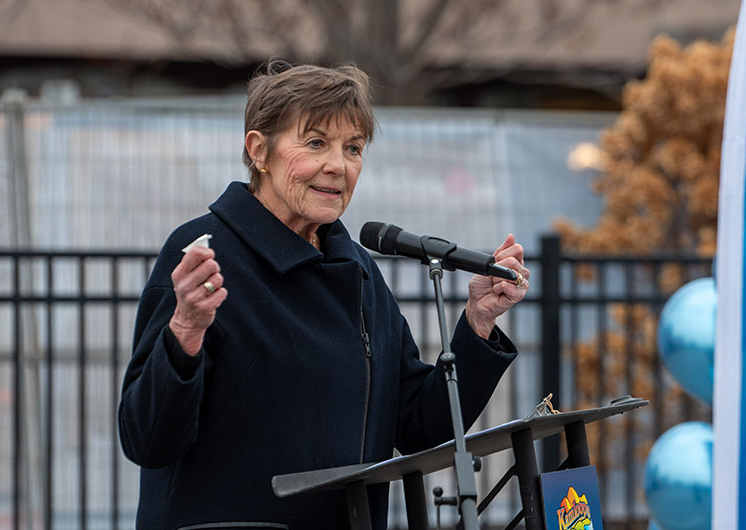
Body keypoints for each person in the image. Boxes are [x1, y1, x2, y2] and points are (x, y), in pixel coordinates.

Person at [117, 63, 530, 530]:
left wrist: (477, 323)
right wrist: (185, 331)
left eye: (353, 148)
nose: (339, 164)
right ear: (259, 150)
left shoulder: (358, 270)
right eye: (315, 143)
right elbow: (146, 440)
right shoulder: (203, 253)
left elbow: (420, 425)